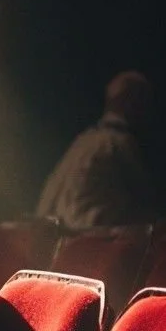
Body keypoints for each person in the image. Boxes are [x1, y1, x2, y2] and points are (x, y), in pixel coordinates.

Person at [36, 71, 156, 232]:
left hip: (53, 242)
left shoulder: (82, 141)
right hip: (88, 243)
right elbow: (145, 202)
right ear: (129, 101)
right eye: (143, 102)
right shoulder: (119, 143)